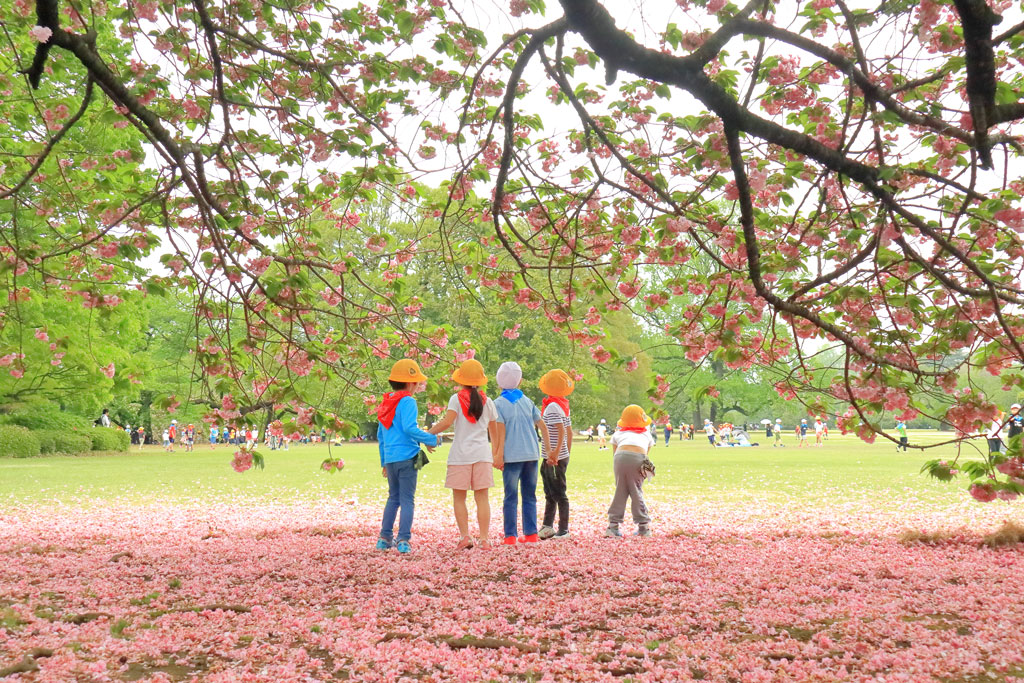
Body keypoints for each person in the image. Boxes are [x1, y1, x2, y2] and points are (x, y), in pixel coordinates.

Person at [427, 359, 499, 550]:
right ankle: (484, 539)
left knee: (459, 498)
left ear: (460, 379)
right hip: (483, 454)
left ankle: (465, 537)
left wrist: (427, 435)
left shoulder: (456, 399)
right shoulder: (488, 402)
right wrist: (497, 453)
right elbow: (494, 430)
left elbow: (446, 422)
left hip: (460, 455)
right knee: (482, 498)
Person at [376, 359, 441, 554]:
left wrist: (384, 462)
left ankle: (384, 538)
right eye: (417, 383)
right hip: (407, 457)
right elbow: (409, 428)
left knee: (393, 498)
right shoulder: (408, 401)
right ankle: (404, 540)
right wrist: (431, 438)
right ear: (411, 383)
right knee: (407, 500)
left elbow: (381, 436)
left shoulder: (386, 402)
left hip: (391, 458)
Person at [491, 361, 545, 546]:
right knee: (530, 495)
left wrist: (497, 455)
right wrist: (549, 448)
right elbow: (541, 424)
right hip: (531, 454)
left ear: (499, 382)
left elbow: (500, 431)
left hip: (512, 456)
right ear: (520, 381)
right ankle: (531, 534)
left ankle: (510, 536)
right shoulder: (527, 401)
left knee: (510, 497)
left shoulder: (498, 404)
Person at [605, 405, 655, 537]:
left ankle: (613, 526)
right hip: (638, 458)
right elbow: (645, 454)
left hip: (620, 458)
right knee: (636, 489)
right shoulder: (646, 434)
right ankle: (643, 526)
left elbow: (615, 453)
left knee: (620, 490)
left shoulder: (618, 433)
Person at [538, 369, 574, 540]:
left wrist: (556, 454)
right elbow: (569, 432)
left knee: (556, 493)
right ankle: (548, 526)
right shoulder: (562, 405)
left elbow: (561, 432)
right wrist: (566, 453)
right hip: (558, 455)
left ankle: (563, 529)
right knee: (552, 491)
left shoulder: (552, 406)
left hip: (553, 457)